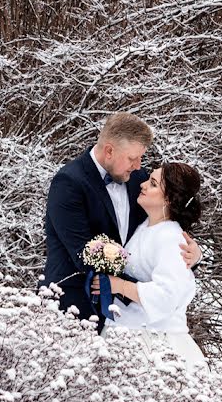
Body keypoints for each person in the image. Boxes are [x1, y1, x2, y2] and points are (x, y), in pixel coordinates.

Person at [40, 113, 200, 329]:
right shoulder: (69, 183)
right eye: (133, 158)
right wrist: (141, 289)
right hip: (74, 307)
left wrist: (191, 256)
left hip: (126, 319)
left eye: (141, 158)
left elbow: (161, 226)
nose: (138, 166)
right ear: (109, 151)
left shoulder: (136, 179)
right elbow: (84, 254)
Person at [96, 162, 206, 371]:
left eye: (153, 184)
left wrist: (118, 286)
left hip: (153, 344)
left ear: (169, 199)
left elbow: (167, 296)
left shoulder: (171, 238)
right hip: (126, 333)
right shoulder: (145, 226)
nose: (143, 185)